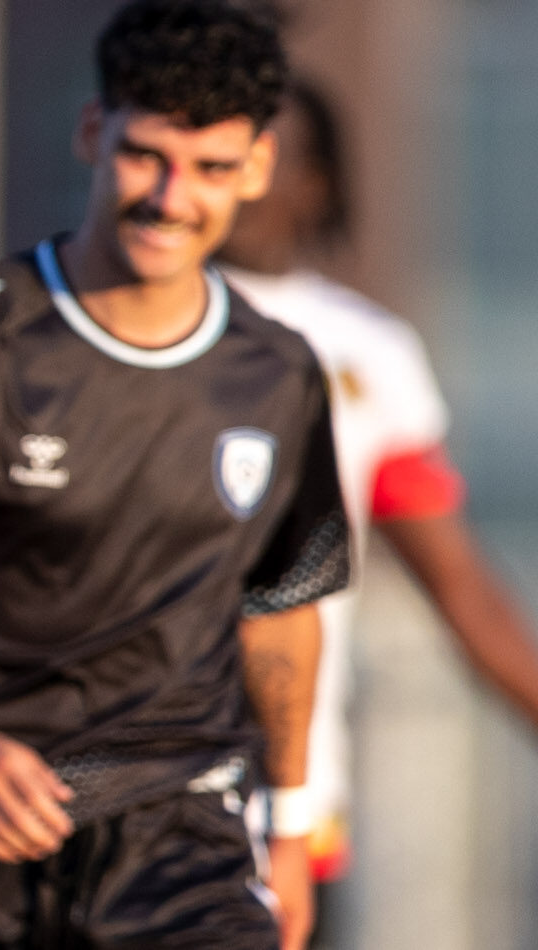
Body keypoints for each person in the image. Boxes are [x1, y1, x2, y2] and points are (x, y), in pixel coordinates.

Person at [0, 0, 350, 950]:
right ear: (94, 130)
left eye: (211, 168)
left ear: (258, 167)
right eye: (147, 154)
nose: (171, 198)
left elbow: (282, 611)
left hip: (189, 844)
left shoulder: (281, 373)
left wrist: (293, 826)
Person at [217, 78, 538, 907]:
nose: (238, 179)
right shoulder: (111, 321)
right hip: (85, 794)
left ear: (316, 179)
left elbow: (459, 584)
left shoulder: (364, 353)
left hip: (282, 808)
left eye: (265, 154)